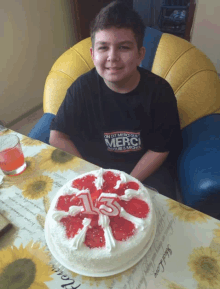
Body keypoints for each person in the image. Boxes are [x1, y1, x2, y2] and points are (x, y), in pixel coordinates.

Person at [49, 1, 182, 199]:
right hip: (95, 171)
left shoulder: (160, 92)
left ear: (140, 55)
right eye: (103, 48)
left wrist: (126, 183)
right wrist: (91, 176)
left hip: (145, 172)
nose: (112, 57)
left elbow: (160, 149)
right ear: (93, 55)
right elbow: (57, 136)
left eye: (123, 47)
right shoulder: (81, 88)